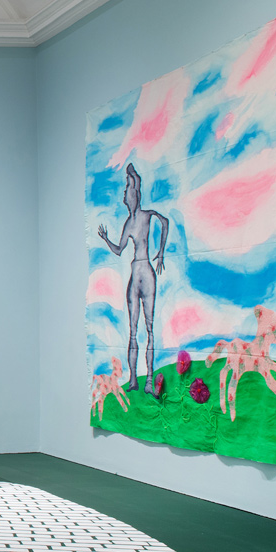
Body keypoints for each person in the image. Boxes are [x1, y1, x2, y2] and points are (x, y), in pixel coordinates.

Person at [96, 163, 169, 396]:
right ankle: (134, 379)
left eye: (127, 188)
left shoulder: (146, 216)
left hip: (146, 270)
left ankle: (149, 379)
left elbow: (165, 222)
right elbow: (119, 250)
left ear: (135, 192)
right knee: (133, 329)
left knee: (149, 328)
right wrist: (106, 239)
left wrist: (161, 252)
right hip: (135, 272)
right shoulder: (128, 223)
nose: (124, 193)